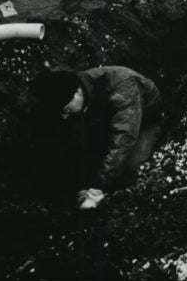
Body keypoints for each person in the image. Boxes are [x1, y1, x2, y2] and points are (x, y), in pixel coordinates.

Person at [32, 65, 164, 209]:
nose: (64, 117)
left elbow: (124, 140)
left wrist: (96, 189)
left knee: (132, 168)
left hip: (144, 120)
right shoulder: (74, 85)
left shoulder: (123, 87)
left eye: (66, 110)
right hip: (107, 116)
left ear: (77, 93)